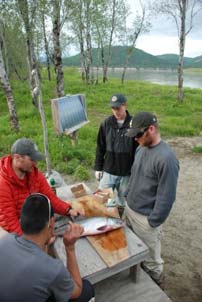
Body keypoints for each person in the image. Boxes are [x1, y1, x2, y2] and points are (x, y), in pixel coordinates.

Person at [0, 193, 95, 302]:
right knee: (86, 289)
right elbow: (77, 290)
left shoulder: (6, 240)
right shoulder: (53, 270)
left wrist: (45, 243)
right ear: (51, 223)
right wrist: (70, 248)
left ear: (21, 222)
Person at [125, 111, 179, 286]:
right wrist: (127, 196)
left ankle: (157, 287)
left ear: (151, 129)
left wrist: (153, 221)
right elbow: (135, 175)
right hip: (130, 209)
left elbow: (167, 197)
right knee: (133, 249)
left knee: (152, 261)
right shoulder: (141, 148)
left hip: (146, 219)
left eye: (138, 135)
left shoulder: (167, 158)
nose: (135, 139)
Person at [0, 138, 83, 235]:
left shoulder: (34, 175)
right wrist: (31, 243)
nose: (35, 163)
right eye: (32, 159)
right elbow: (9, 222)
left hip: (30, 220)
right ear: (17, 158)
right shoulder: (3, 184)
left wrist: (68, 210)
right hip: (12, 228)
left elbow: (50, 197)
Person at [94, 93, 138, 208]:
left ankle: (121, 221)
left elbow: (138, 151)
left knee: (123, 202)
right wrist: (98, 167)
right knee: (101, 200)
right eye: (113, 108)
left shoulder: (134, 125)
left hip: (126, 173)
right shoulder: (106, 123)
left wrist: (136, 172)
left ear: (125, 105)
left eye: (118, 108)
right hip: (109, 171)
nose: (115, 111)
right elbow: (100, 146)